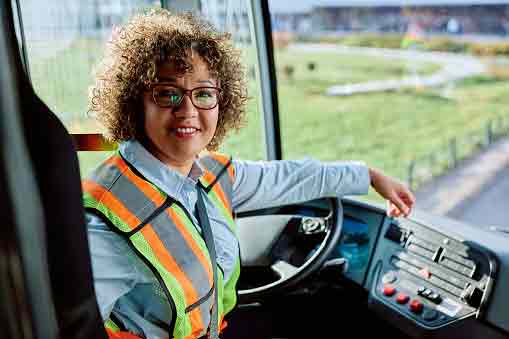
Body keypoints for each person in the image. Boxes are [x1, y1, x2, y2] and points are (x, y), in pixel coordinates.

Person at [83, 9, 415, 339]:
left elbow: (290, 177)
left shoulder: (210, 174)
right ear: (134, 102)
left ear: (220, 102)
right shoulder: (103, 219)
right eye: (167, 93)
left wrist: (369, 175)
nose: (187, 111)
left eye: (203, 94)